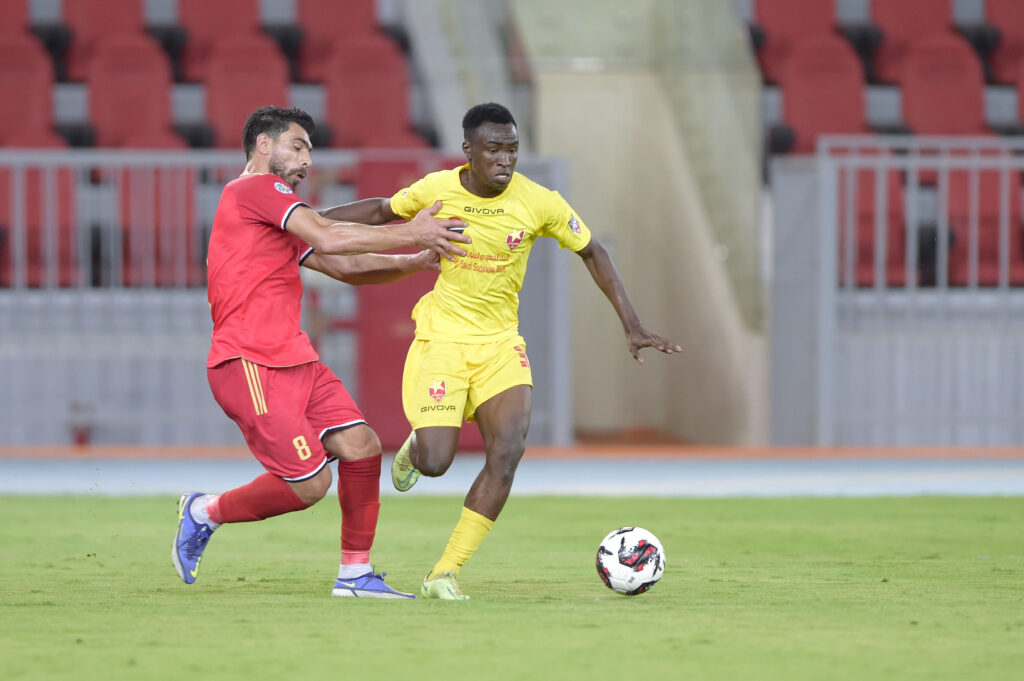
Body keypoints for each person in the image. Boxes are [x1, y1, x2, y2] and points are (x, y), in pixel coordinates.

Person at [321, 102, 681, 599]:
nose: (505, 159)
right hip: (444, 341)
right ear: (468, 151)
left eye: (512, 149)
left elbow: (593, 251)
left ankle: (444, 573)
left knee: (508, 451)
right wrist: (306, 222)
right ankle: (418, 448)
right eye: (494, 149)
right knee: (436, 462)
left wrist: (632, 323)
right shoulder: (437, 189)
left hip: (500, 344)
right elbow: (383, 209)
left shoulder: (539, 201)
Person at [171, 105, 470, 598]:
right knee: (309, 486)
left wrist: (416, 260)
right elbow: (329, 236)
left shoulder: (276, 216)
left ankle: (354, 575)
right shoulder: (253, 190)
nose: (307, 159)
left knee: (362, 446)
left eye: (309, 150)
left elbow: (347, 267)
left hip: (296, 361)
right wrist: (411, 230)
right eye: (298, 146)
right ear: (263, 145)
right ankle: (204, 511)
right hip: (250, 363)